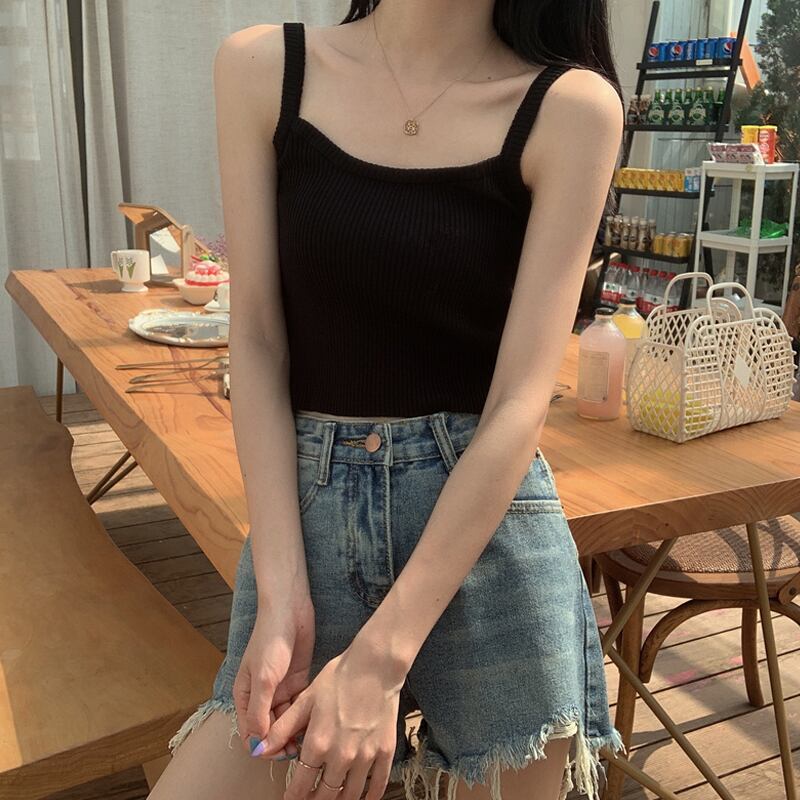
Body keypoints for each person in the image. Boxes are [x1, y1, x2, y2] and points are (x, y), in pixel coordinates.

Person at [148, 2, 625, 799]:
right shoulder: (263, 69)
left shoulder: (570, 108)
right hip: (311, 522)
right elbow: (257, 338)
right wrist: (280, 593)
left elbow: (519, 400)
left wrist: (379, 662)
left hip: (486, 536)